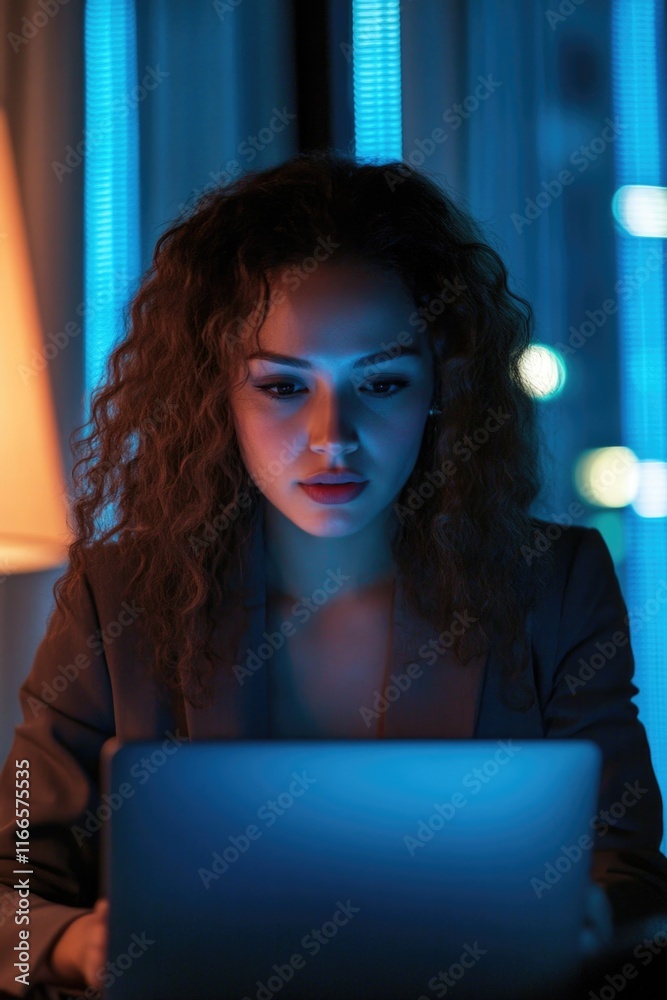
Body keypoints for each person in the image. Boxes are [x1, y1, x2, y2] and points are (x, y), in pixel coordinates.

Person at [1, 149, 666, 999]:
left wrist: (594, 916)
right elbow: (13, 883)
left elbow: (632, 871)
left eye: (380, 381)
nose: (331, 437)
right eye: (281, 387)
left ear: (440, 387)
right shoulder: (116, 599)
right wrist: (68, 947)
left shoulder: (554, 586)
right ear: (218, 396)